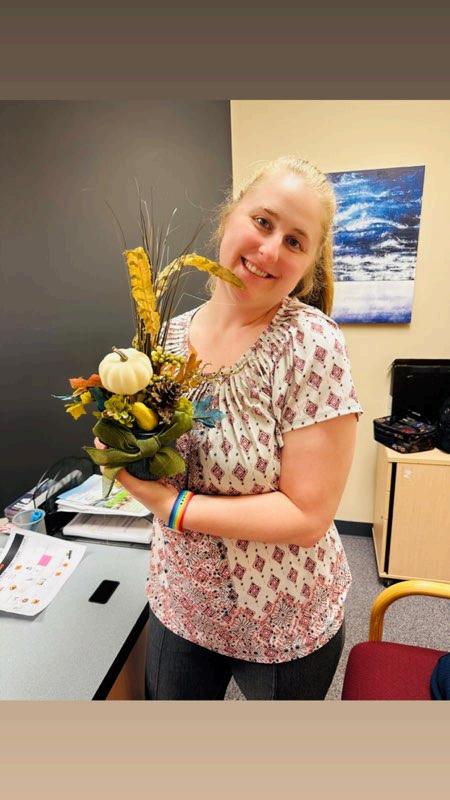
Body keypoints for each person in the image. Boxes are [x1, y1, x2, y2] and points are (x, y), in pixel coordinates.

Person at [95, 156, 363, 700]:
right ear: (228, 218)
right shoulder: (164, 339)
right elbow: (156, 448)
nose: (270, 250)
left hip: (282, 619)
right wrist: (120, 443)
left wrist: (171, 507)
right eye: (263, 222)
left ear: (308, 268)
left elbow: (307, 516)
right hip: (181, 604)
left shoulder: (311, 345)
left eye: (295, 242)